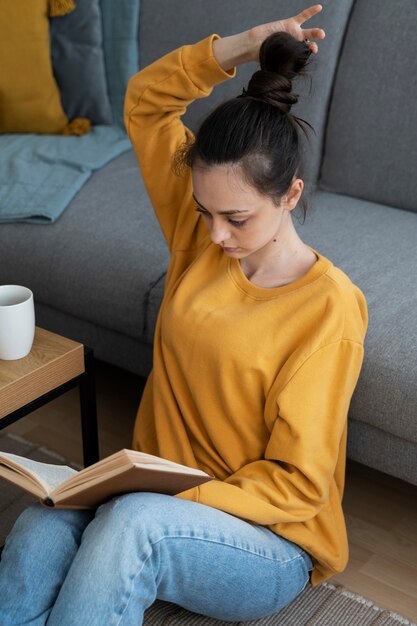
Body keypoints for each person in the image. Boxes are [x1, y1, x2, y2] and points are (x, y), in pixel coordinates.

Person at [0, 5, 368, 625]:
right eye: (204, 211)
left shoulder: (328, 310)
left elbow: (300, 487)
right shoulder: (199, 236)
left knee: (131, 525)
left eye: (238, 218)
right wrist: (247, 45)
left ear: (291, 195)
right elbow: (146, 101)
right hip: (150, 494)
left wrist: (169, 493)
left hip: (268, 541)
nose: (217, 235)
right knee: (40, 525)